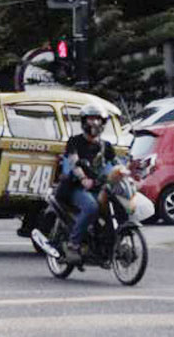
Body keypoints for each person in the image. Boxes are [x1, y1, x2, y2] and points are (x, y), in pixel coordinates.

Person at [57, 104, 117, 264]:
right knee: (92, 207)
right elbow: (73, 163)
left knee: (116, 205)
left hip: (98, 187)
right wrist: (83, 178)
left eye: (98, 119)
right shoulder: (74, 141)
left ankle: (108, 243)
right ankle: (73, 244)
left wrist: (130, 172)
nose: (95, 123)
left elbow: (116, 164)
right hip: (75, 187)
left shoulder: (106, 146)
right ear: (84, 121)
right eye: (91, 118)